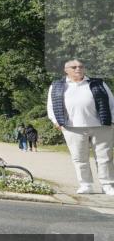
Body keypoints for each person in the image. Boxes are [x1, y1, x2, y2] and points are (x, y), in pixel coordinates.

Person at [47, 59, 114, 195]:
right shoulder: (57, 86)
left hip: (101, 126)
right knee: (79, 158)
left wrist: (112, 121)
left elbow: (111, 103)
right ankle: (86, 185)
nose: (78, 69)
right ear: (66, 70)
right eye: (74, 67)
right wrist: (56, 122)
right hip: (72, 128)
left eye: (81, 66)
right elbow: (51, 106)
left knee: (105, 157)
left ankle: (107, 185)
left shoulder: (98, 83)